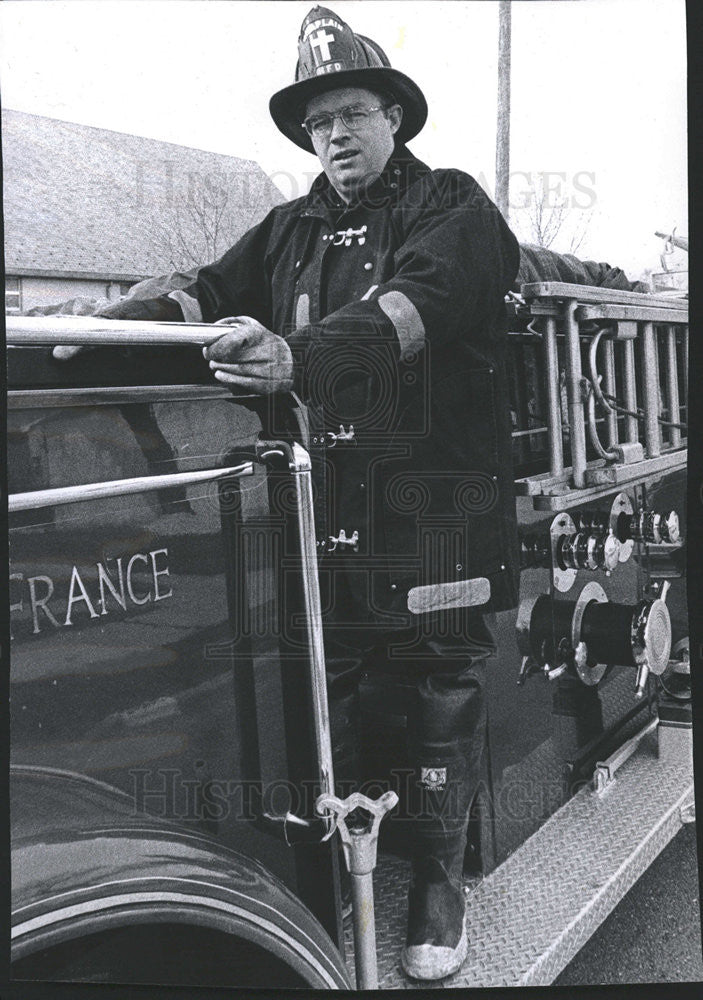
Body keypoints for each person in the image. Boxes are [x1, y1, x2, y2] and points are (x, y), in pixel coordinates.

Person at [71, 6, 521, 980]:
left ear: (393, 117)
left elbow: (416, 307)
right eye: (318, 124)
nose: (335, 136)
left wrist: (299, 355)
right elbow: (203, 290)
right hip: (333, 518)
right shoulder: (289, 230)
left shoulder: (454, 207)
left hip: (436, 515)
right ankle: (343, 872)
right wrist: (97, 328)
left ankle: (438, 880)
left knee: (436, 686)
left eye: (352, 113)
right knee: (339, 689)